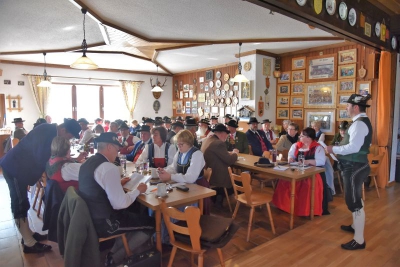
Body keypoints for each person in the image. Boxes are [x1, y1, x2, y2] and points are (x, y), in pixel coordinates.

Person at [0, 118, 80, 253]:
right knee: (19, 202)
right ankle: (29, 243)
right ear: (63, 130)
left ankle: (28, 234)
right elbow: (41, 157)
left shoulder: (49, 131)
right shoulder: (47, 132)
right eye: (69, 136)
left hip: (19, 168)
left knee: (22, 202)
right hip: (15, 168)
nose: (69, 140)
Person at [78, 132, 155, 264]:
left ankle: (113, 252)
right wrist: (138, 190)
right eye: (116, 148)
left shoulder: (87, 163)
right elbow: (120, 203)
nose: (118, 152)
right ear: (109, 147)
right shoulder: (108, 168)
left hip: (91, 217)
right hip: (106, 222)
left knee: (134, 215)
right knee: (150, 224)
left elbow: (97, 188)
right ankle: (116, 258)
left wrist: (118, 183)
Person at [326, 94, 372, 250]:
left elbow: (354, 148)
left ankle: (359, 240)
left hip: (354, 167)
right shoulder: (359, 123)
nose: (346, 108)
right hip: (353, 165)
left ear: (355, 107)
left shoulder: (359, 125)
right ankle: (355, 225)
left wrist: (334, 148)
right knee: (355, 198)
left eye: (348, 106)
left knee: (354, 202)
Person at [272, 127, 328, 216]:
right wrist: (290, 158)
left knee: (307, 185)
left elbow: (321, 161)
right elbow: (291, 155)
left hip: (313, 173)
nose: (299, 137)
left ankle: (304, 209)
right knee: (284, 180)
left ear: (308, 138)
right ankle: (285, 206)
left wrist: (307, 162)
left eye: (302, 136)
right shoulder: (296, 145)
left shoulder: (317, 148)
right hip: (297, 170)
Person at [158, 130, 210, 213]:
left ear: (189, 143)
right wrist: (165, 171)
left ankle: (179, 221)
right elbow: (173, 167)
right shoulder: (179, 152)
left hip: (196, 188)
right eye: (177, 144)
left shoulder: (197, 154)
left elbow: (191, 178)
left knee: (172, 205)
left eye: (181, 144)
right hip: (182, 185)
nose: (178, 146)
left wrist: (170, 176)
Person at [201, 124, 239, 207]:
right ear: (222, 134)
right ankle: (219, 196)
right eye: (226, 134)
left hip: (207, 172)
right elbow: (229, 160)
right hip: (216, 176)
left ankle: (218, 197)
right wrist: (235, 154)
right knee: (239, 183)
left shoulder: (208, 140)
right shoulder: (218, 143)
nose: (226, 137)